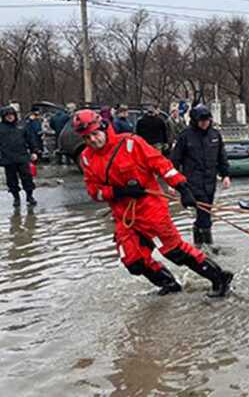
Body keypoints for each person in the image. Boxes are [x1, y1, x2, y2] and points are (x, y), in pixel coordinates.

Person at [73, 109, 233, 297]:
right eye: (87, 137)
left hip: (151, 210)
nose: (92, 140)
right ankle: (169, 284)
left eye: (94, 134)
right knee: (132, 261)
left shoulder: (131, 143)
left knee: (174, 251)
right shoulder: (86, 158)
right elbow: (94, 192)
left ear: (103, 127)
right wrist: (118, 191)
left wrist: (182, 187)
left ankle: (219, 277)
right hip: (125, 217)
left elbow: (161, 165)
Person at [171, 105, 230, 246]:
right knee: (204, 212)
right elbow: (175, 160)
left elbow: (222, 156)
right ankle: (207, 246)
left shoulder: (215, 135)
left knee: (206, 210)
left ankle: (198, 240)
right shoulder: (185, 136)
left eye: (207, 120)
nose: (205, 123)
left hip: (210, 180)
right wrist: (172, 183)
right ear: (195, 120)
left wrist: (226, 175)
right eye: (201, 121)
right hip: (193, 181)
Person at [0, 106, 39, 207]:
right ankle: (16, 198)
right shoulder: (1, 128)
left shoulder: (22, 125)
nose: (10, 117)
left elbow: (31, 139)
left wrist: (34, 151)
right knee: (12, 181)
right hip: (8, 159)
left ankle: (29, 196)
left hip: (22, 157)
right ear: (3, 117)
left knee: (27, 178)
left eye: (11, 115)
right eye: (7, 115)